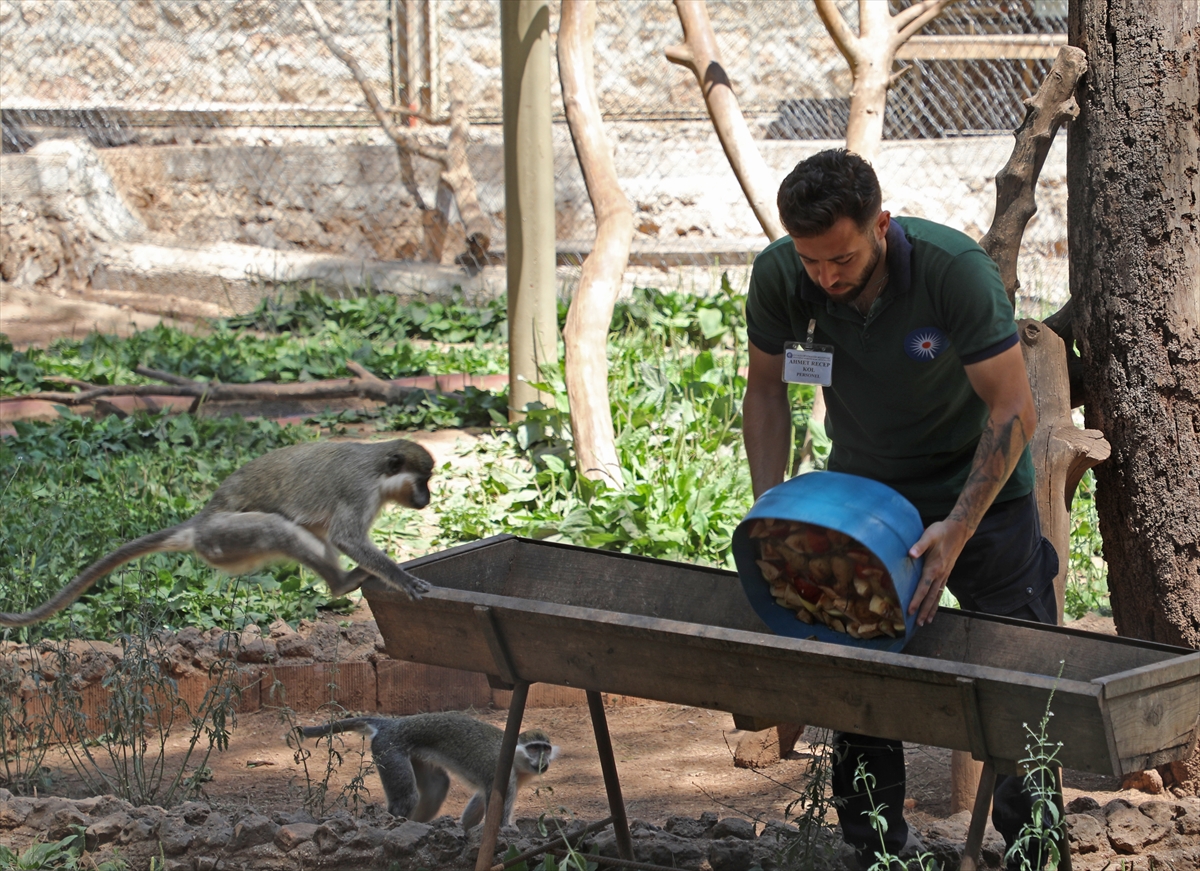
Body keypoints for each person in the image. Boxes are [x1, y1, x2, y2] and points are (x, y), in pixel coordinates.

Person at [741, 148, 1059, 869]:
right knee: (861, 676)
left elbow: (1014, 410)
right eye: (811, 260)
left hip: (982, 500)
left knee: (1018, 682)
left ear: (881, 224)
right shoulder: (783, 275)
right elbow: (764, 391)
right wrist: (771, 503)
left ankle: (1037, 850)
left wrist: (959, 526)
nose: (825, 276)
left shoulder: (953, 272)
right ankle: (878, 850)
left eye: (842, 258)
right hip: (861, 500)